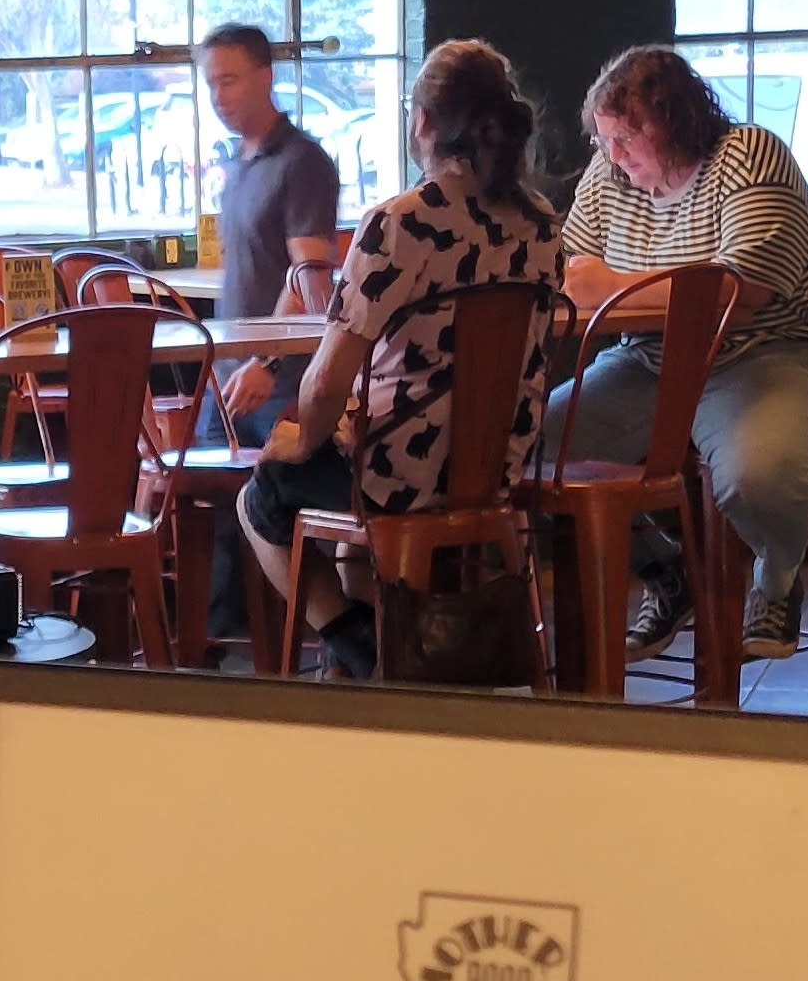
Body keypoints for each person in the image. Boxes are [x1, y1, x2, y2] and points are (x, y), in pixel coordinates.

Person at [236, 39, 563, 679]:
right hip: (500, 468)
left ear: (423, 123)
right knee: (355, 503)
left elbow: (327, 380)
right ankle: (390, 647)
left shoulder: (398, 223)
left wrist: (302, 440)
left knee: (263, 498)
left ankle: (361, 650)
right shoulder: (542, 222)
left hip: (398, 476)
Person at [552, 45, 808, 663]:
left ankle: (775, 580)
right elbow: (570, 269)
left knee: (758, 477)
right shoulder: (610, 176)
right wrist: (613, 285)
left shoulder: (748, 155)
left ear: (677, 121)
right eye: (604, 140)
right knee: (529, 450)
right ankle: (668, 570)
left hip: (771, 349)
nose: (614, 154)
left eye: (628, 137)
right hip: (653, 355)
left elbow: (741, 288)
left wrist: (617, 286)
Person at [197, 22, 342, 643]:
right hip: (230, 371)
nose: (219, 96)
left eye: (230, 79)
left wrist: (270, 365)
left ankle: (277, 644)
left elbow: (313, 287)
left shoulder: (302, 163)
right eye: (210, 84)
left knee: (257, 504)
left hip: (277, 378)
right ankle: (211, 647)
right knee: (204, 504)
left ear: (266, 76)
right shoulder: (238, 163)